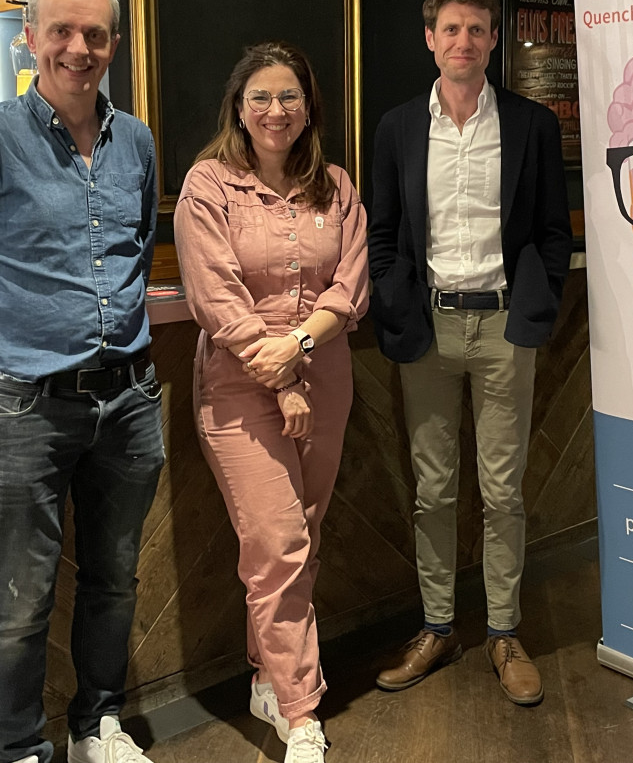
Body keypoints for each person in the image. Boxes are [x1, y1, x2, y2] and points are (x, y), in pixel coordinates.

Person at [0, 0, 163, 763]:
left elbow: (138, 250)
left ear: (113, 46)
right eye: (61, 31)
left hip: (128, 402)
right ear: (31, 38)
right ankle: (20, 747)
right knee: (21, 599)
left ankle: (97, 724)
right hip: (27, 406)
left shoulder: (139, 142)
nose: (77, 49)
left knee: (114, 579)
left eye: (94, 36)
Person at [368, 0, 572, 706]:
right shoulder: (396, 127)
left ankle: (506, 632)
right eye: (450, 29)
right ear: (430, 38)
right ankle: (436, 624)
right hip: (427, 326)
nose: (463, 41)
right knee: (432, 489)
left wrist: (536, 304)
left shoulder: (530, 124)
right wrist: (395, 297)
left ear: (493, 40)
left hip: (503, 328)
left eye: (477, 29)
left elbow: (553, 231)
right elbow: (384, 232)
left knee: (502, 490)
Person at [175, 42, 368, 763]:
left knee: (300, 539)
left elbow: (348, 289)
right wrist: (279, 374)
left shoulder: (336, 186)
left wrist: (301, 352)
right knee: (277, 541)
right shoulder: (209, 186)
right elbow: (214, 296)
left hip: (326, 375)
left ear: (307, 106)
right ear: (238, 106)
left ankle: (268, 677)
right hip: (238, 386)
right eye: (261, 97)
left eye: (289, 97)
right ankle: (300, 711)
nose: (276, 110)